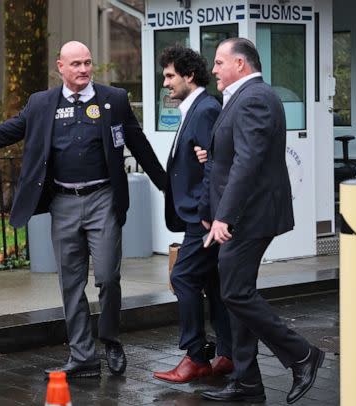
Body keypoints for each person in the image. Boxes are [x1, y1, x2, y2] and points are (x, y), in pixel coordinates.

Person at [0, 41, 166, 378]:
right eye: (76, 64)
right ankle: (83, 356)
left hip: (103, 200)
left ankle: (109, 338)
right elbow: (3, 132)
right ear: (60, 67)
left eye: (87, 63)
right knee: (71, 283)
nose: (83, 70)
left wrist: (170, 187)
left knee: (108, 277)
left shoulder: (114, 100)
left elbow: (139, 144)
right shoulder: (41, 104)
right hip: (63, 203)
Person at [200, 38, 324, 404]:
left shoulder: (254, 97)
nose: (214, 69)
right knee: (238, 292)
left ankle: (302, 355)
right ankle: (247, 381)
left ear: (240, 63)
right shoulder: (244, 97)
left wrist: (224, 215)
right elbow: (236, 153)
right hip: (244, 212)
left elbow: (248, 162)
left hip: (250, 214)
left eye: (220, 62)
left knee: (235, 291)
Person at [151, 45, 233, 384]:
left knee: (183, 277)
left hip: (202, 217)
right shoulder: (194, 108)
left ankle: (196, 357)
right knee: (212, 282)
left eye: (170, 76)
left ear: (189, 75)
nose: (166, 82)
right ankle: (227, 353)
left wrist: (204, 212)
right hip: (199, 215)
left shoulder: (205, 110)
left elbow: (214, 166)